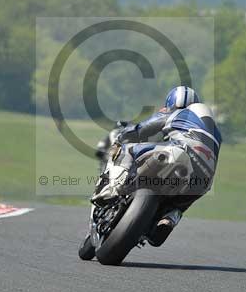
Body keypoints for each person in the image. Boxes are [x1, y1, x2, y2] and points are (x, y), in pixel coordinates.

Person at [92, 86, 222, 246]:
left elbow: (141, 130)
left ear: (171, 102)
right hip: (205, 178)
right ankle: (168, 220)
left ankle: (112, 190)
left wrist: (123, 135)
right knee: (178, 205)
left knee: (127, 149)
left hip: (178, 150)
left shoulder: (176, 112)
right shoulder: (213, 129)